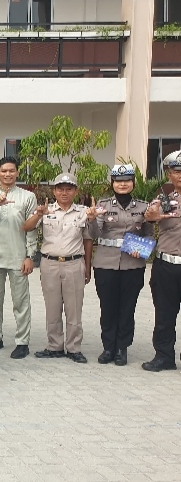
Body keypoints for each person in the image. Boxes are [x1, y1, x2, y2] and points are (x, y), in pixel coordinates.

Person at [23, 173, 95, 364]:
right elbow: (26, 227)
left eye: (69, 189)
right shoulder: (45, 210)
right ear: (54, 191)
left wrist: (88, 267)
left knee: (74, 309)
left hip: (74, 263)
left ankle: (74, 348)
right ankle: (54, 346)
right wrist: (39, 214)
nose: (64, 193)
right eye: (60, 189)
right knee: (52, 307)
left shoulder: (83, 212)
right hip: (50, 264)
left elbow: (88, 240)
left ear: (75, 191)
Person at [89, 163, 153, 366]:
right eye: (118, 181)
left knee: (127, 307)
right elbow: (94, 234)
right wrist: (92, 219)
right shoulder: (103, 205)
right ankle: (108, 347)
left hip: (132, 264)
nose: (122, 184)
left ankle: (121, 348)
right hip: (105, 263)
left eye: (127, 181)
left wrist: (143, 249)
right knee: (107, 306)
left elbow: (149, 235)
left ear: (133, 183)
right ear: (112, 183)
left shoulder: (143, 207)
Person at [0, 157, 38, 360]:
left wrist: (30, 256)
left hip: (18, 257)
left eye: (12, 170)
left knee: (21, 301)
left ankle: (22, 342)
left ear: (18, 173)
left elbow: (31, 228)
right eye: (4, 171)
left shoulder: (28, 196)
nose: (8, 174)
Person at [142, 151, 181, 372]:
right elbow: (149, 216)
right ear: (169, 174)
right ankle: (164, 356)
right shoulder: (162, 200)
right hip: (166, 265)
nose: (180, 175)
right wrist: (152, 216)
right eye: (176, 171)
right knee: (164, 314)